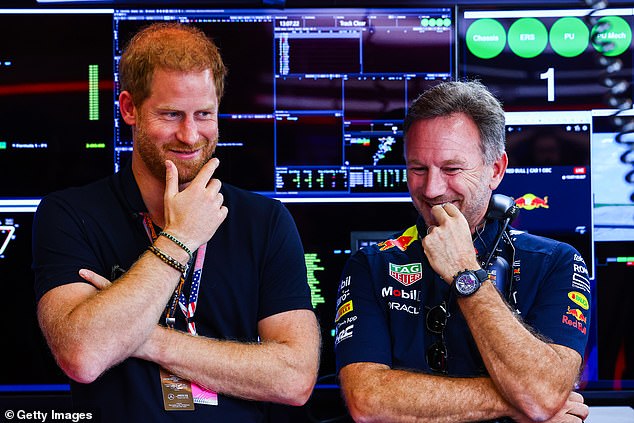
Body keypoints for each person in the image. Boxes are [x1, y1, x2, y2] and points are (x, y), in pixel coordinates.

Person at [33, 22, 320, 422]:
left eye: (204, 114)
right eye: (170, 114)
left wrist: (139, 336)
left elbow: (295, 379)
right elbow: (83, 354)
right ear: (129, 108)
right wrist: (179, 238)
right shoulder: (69, 214)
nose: (189, 135)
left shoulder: (266, 221)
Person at [334, 81, 591, 422]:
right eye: (418, 168)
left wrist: (464, 273)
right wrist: (519, 400)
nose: (432, 189)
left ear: (495, 170)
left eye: (452, 169)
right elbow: (367, 399)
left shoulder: (557, 261)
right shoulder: (371, 263)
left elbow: (543, 392)